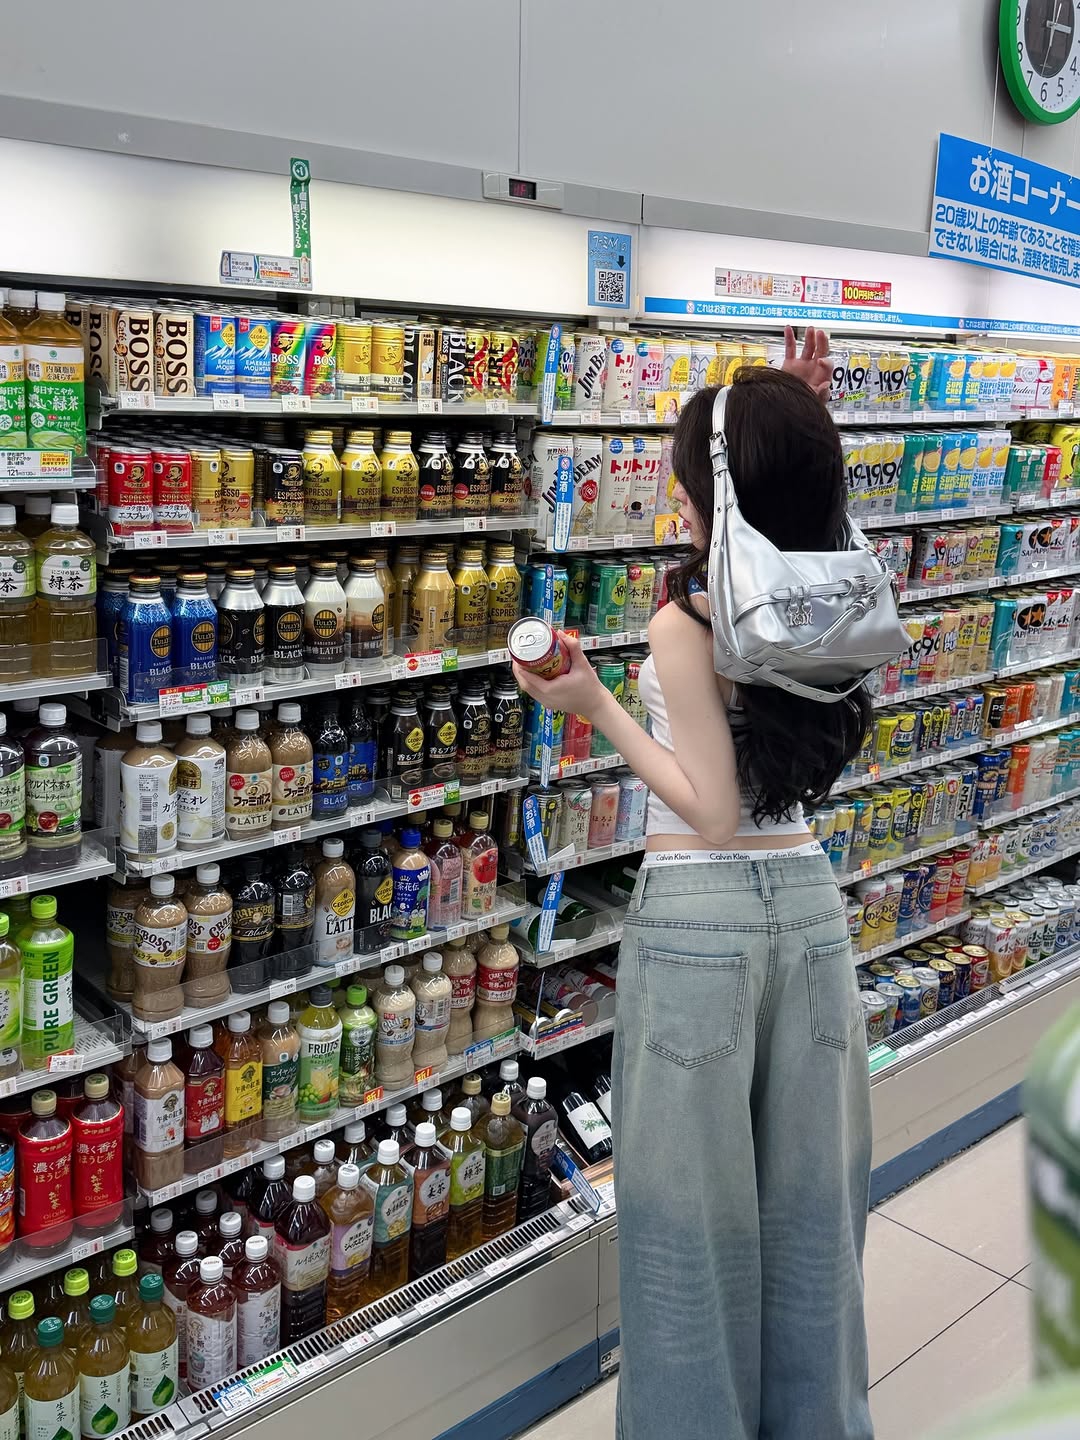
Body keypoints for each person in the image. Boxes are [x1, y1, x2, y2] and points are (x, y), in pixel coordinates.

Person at [512, 327, 874, 1440]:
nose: (675, 497)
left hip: (699, 925)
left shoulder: (686, 618)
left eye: (689, 481)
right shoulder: (832, 589)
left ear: (716, 497)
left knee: (688, 1242)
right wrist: (788, 414)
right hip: (811, 914)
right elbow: (802, 490)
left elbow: (710, 811)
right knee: (815, 1224)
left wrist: (594, 706)